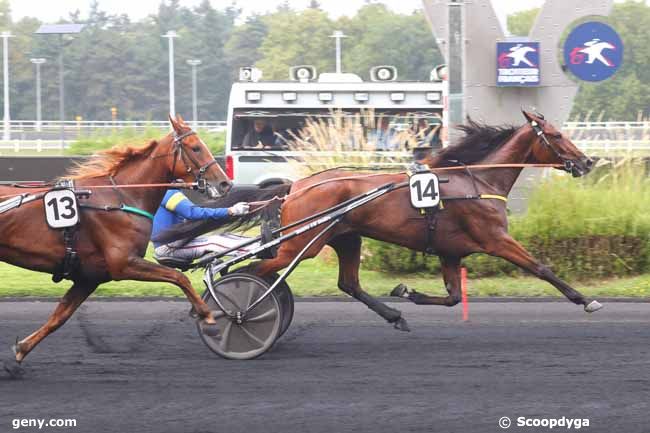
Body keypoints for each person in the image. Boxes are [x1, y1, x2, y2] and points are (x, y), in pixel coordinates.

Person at [151, 189, 252, 263]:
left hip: (176, 242)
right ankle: (254, 249)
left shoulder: (167, 192)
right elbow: (194, 213)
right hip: (169, 248)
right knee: (214, 242)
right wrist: (231, 211)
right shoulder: (169, 193)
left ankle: (257, 243)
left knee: (223, 236)